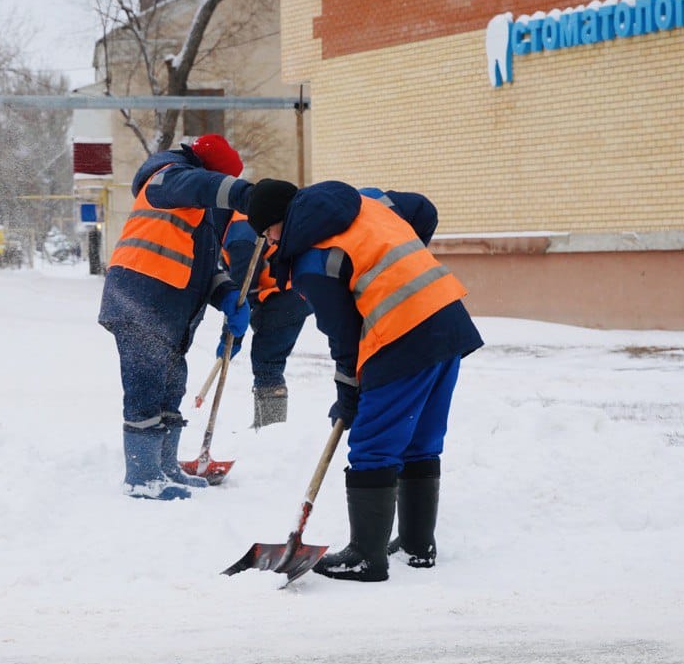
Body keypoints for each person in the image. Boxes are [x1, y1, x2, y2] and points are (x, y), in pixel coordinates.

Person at [245, 178, 483, 581]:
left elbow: (344, 338)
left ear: (279, 221)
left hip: (402, 335)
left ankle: (366, 557)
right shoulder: (364, 201)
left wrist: (348, 392)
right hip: (447, 315)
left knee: (373, 443)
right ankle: (416, 545)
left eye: (267, 231)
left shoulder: (311, 261)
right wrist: (400, 267)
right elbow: (423, 208)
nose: (268, 241)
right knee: (419, 439)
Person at [98, 134, 255, 500]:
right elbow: (201, 185)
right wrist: (244, 193)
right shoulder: (167, 177)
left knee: (171, 386)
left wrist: (228, 294)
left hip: (167, 312)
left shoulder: (196, 215)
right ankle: (142, 476)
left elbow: (204, 268)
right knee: (146, 388)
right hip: (138, 301)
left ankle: (165, 468)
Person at [220, 211, 313, 428]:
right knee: (267, 357)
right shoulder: (239, 223)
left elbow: (241, 292)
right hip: (285, 293)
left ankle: (272, 426)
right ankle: (270, 425)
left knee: (267, 361)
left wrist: (231, 335)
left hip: (287, 295)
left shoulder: (241, 234)